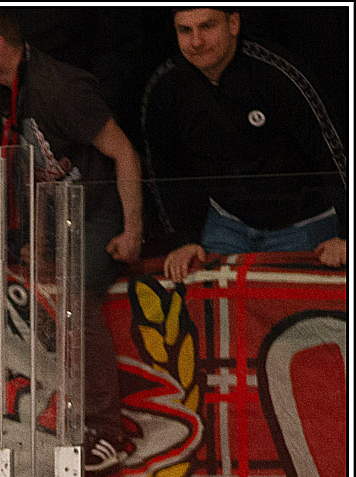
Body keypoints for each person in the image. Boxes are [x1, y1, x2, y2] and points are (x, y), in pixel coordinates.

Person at [0, 7, 144, 473]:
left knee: (74, 295)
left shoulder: (59, 88)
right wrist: (35, 236)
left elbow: (124, 152)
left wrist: (131, 230)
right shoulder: (5, 90)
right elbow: (29, 165)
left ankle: (104, 428)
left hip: (96, 214)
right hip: (60, 219)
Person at [142, 9, 347, 282]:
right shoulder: (165, 85)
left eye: (207, 26)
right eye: (185, 30)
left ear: (233, 23)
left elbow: (335, 153)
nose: (197, 41)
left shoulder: (277, 72)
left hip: (303, 224)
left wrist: (347, 236)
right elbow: (166, 171)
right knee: (215, 317)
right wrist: (184, 239)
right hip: (226, 224)